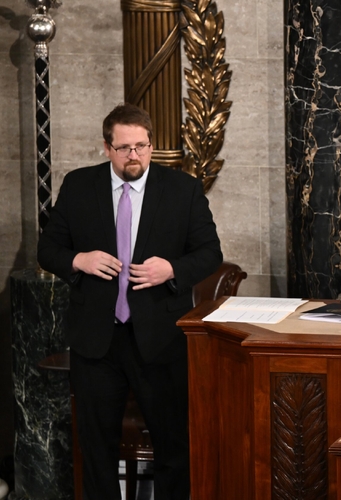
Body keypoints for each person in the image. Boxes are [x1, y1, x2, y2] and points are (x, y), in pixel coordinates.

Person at [37, 103, 222, 500]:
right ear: (107, 148)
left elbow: (210, 252)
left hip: (159, 340)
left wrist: (171, 269)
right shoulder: (79, 185)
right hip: (96, 342)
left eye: (141, 146)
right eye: (124, 148)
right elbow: (47, 248)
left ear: (151, 146)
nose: (134, 155)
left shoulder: (181, 189)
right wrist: (78, 260)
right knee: (97, 449)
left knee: (174, 448)